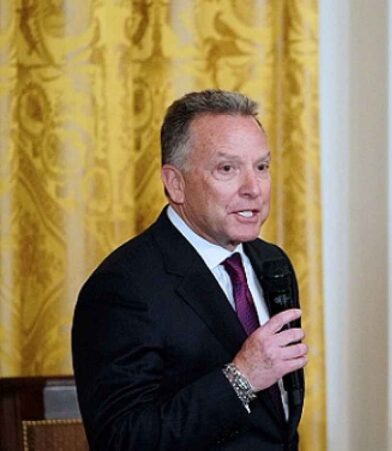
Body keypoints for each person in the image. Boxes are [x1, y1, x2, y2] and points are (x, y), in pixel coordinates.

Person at [72, 89, 308, 450]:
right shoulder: (123, 286)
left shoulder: (271, 262)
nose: (254, 188)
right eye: (227, 169)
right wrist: (241, 379)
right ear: (176, 184)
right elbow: (122, 439)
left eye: (261, 167)